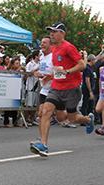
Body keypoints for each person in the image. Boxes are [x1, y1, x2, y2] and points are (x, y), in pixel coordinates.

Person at [30, 22, 94, 156]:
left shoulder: (69, 47)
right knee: (47, 111)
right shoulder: (53, 49)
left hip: (71, 89)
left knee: (71, 118)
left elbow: (82, 65)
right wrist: (48, 75)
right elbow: (57, 69)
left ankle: (88, 119)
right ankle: (43, 144)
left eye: (54, 31)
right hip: (56, 87)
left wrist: (68, 72)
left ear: (62, 33)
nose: (51, 34)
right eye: (50, 32)